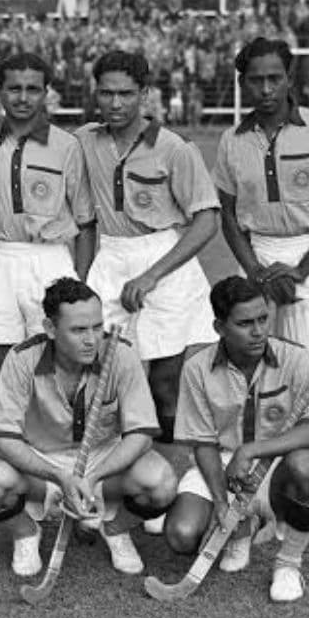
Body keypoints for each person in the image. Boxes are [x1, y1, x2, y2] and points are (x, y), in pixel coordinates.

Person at [212, 37, 309, 546]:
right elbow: (229, 217)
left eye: (274, 77)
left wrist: (299, 270)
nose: (266, 87)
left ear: (289, 77)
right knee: (262, 379)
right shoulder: (234, 141)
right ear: (243, 82)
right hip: (259, 259)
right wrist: (254, 269)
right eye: (255, 79)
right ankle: (268, 498)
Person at [74, 50, 220, 534]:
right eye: (106, 93)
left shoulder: (175, 147)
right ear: (94, 93)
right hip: (111, 261)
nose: (115, 103)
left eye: (125, 93)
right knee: (108, 382)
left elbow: (206, 220)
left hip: (165, 262)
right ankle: (117, 490)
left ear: (144, 94)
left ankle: (184, 485)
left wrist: (154, 274)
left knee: (165, 389)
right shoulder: (85, 141)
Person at [0, 278, 176, 577]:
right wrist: (59, 476)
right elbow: (1, 440)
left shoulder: (120, 353)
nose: (92, 340)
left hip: (102, 460)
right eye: (79, 330)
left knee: (161, 482)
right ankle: (26, 533)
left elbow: (141, 434)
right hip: (42, 462)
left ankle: (114, 528)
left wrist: (94, 476)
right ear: (50, 328)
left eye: (97, 327)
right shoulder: (20, 359)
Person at [165, 276, 309, 602]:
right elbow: (202, 443)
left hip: (276, 465)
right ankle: (246, 525)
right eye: (245, 323)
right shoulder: (196, 367)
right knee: (181, 536)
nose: (258, 331)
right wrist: (219, 501)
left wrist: (253, 450)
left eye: (262, 319)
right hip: (221, 463)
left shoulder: (295, 357)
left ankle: (288, 564)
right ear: (219, 327)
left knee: (308, 465)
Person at [0, 52, 96, 407]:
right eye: (14, 89)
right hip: (1, 258)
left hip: (51, 259)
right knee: (0, 364)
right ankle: (1, 447)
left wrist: (80, 280)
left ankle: (56, 446)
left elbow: (86, 222)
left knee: (58, 363)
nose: (23, 97)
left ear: (46, 93)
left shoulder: (67, 145)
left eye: (33, 89)